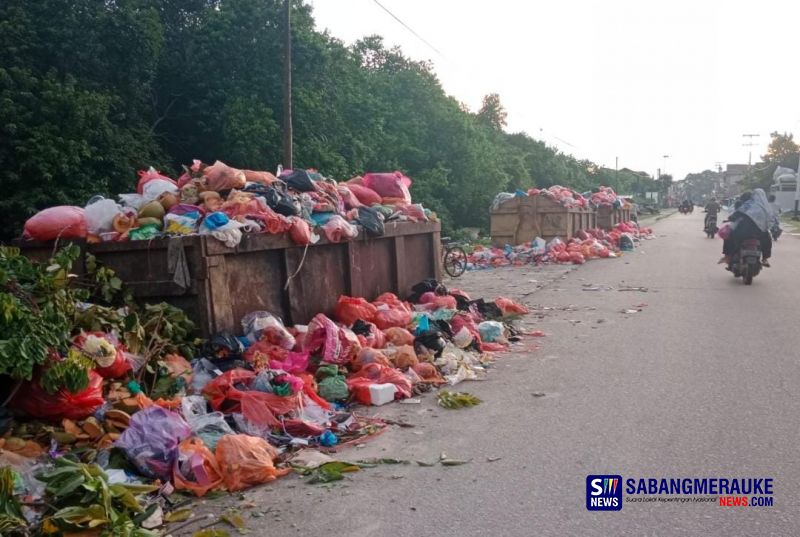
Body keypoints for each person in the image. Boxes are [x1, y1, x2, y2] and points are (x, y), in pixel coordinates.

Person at [719, 189, 772, 267]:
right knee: (767, 240)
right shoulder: (764, 208)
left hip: (743, 231)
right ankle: (764, 259)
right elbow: (769, 219)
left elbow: (736, 214)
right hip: (759, 232)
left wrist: (731, 218)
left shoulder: (747, 205)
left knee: (729, 236)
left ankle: (728, 257)